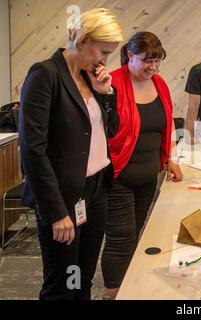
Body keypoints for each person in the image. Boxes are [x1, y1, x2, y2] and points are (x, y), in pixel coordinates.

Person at [19, 8, 123, 299]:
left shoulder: (92, 77)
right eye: (103, 51)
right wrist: (55, 212)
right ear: (84, 39)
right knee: (62, 284)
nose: (105, 60)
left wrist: (106, 94)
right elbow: (32, 149)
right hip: (62, 195)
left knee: (83, 277)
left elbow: (110, 130)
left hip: (96, 189)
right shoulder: (45, 74)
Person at [101, 31, 183, 300]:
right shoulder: (111, 83)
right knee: (120, 239)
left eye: (157, 61)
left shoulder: (159, 84)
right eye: (148, 60)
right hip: (118, 176)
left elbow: (164, 126)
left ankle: (130, 289)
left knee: (136, 232)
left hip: (148, 176)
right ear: (129, 56)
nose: (153, 67)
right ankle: (114, 293)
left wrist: (169, 158)